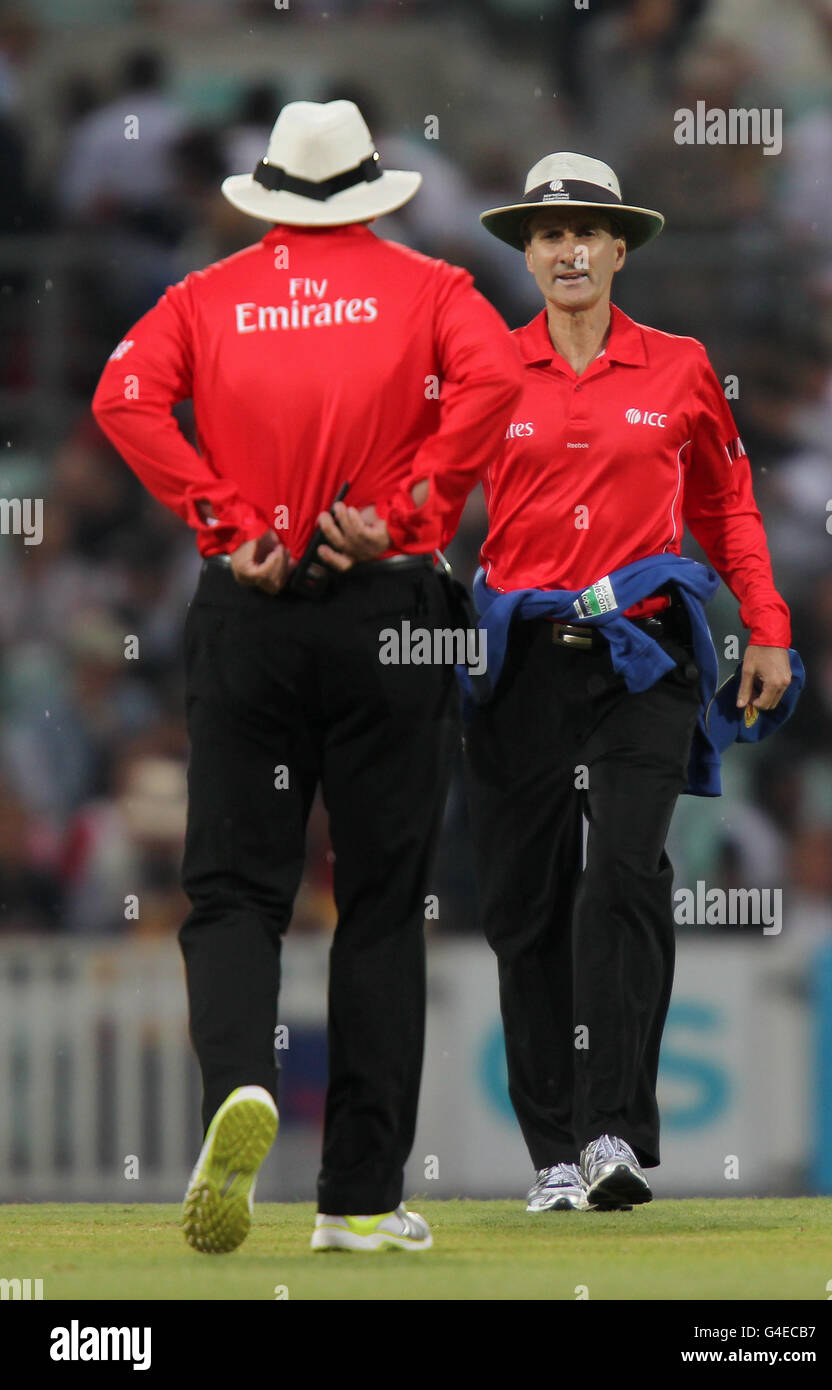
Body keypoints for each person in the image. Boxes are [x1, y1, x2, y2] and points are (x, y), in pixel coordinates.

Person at [91, 99, 523, 1253]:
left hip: (251, 599)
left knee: (234, 890)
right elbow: (495, 389)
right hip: (386, 603)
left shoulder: (206, 296)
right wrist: (407, 510)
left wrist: (221, 518)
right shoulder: (432, 289)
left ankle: (237, 1080)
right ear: (375, 190)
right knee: (381, 906)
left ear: (268, 192)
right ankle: (360, 1198)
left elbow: (120, 396)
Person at [464, 152, 793, 1214]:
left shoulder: (681, 367)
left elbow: (728, 508)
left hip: (640, 655)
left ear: (617, 249)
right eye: (546, 232)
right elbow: (420, 506)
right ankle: (551, 1153)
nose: (564, 248)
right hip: (519, 660)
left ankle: (609, 1132)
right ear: (526, 252)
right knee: (522, 907)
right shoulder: (480, 372)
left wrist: (767, 629)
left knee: (622, 875)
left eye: (584, 231)